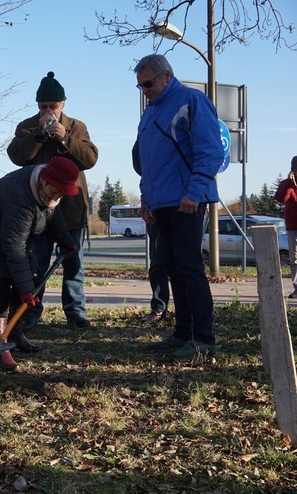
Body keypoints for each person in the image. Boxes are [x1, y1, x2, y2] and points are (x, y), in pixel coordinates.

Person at [134, 54, 223, 359]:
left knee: (189, 267)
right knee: (171, 267)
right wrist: (146, 198)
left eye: (148, 83)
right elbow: (148, 162)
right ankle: (182, 333)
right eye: (140, 86)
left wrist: (195, 192)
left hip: (186, 201)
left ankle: (204, 338)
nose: (145, 90)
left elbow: (210, 150)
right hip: (160, 203)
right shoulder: (149, 114)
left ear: (167, 76)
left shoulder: (191, 101)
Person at [0, 158, 79, 371]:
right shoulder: (21, 195)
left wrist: (66, 242)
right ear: (44, 180)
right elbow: (13, 246)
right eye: (56, 190)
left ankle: (15, 333)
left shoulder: (47, 192)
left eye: (62, 193)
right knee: (1, 283)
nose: (57, 196)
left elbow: (53, 215)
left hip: (9, 238)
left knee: (33, 280)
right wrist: (25, 290)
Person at [7, 71, 98, 330]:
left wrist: (64, 138)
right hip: (37, 210)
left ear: (63, 104)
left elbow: (90, 160)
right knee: (36, 264)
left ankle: (75, 312)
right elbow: (16, 156)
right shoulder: (27, 126)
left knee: (73, 264)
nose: (48, 111)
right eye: (43, 106)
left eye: (53, 106)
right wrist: (37, 135)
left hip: (70, 209)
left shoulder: (77, 127)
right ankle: (32, 313)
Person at [132, 141, 170, 322]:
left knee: (185, 263)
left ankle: (190, 314)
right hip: (156, 201)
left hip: (184, 201)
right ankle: (159, 308)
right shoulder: (149, 125)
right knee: (158, 261)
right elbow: (139, 159)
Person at [274, 156, 297, 299]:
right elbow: (281, 199)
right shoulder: (287, 184)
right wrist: (290, 183)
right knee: (295, 258)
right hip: (293, 226)